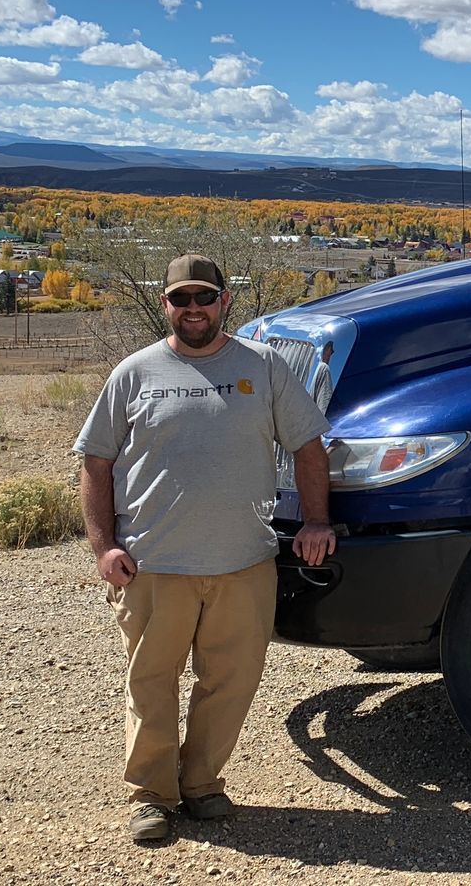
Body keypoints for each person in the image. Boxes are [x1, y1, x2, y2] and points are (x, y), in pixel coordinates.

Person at [75, 254, 337, 845]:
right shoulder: (134, 373)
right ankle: (152, 795)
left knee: (232, 680)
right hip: (154, 563)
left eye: (204, 297)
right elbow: (96, 464)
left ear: (224, 302)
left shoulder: (264, 367)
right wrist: (103, 547)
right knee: (151, 680)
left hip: (244, 562)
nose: (193, 308)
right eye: (180, 298)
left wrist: (318, 520)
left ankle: (201, 783)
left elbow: (309, 446)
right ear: (165, 304)